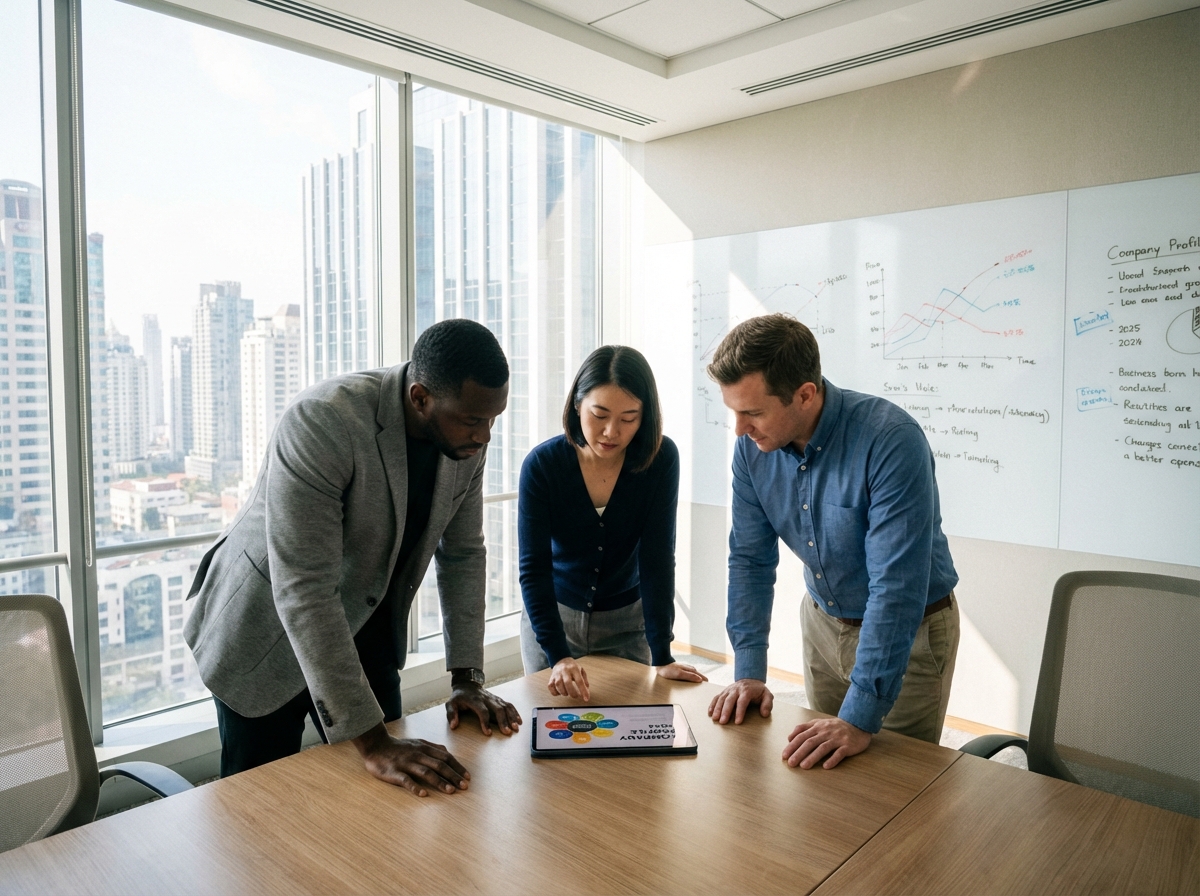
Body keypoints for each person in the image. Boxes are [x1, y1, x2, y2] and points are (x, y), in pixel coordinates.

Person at [184, 318, 522, 797]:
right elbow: (304, 590)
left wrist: (467, 677)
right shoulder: (323, 420)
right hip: (262, 633)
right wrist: (374, 743)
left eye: (493, 419)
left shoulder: (465, 437)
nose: (485, 435)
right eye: (473, 421)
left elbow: (464, 552)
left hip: (366, 626)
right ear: (421, 397)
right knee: (260, 810)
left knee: (389, 798)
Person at [705, 313, 960, 769]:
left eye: (753, 412)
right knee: (820, 776)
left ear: (805, 394)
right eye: (734, 412)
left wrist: (861, 716)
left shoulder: (890, 440)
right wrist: (748, 673)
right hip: (822, 624)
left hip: (912, 632)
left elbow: (895, 587)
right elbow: (749, 559)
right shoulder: (751, 448)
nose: (740, 428)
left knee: (895, 788)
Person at [518, 345, 707, 700]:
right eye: (599, 414)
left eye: (629, 418)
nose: (611, 432)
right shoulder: (542, 466)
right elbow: (534, 568)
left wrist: (662, 652)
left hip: (627, 623)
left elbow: (657, 558)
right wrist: (558, 653)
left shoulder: (660, 459)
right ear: (577, 404)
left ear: (645, 415)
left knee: (630, 729)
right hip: (553, 620)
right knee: (551, 730)